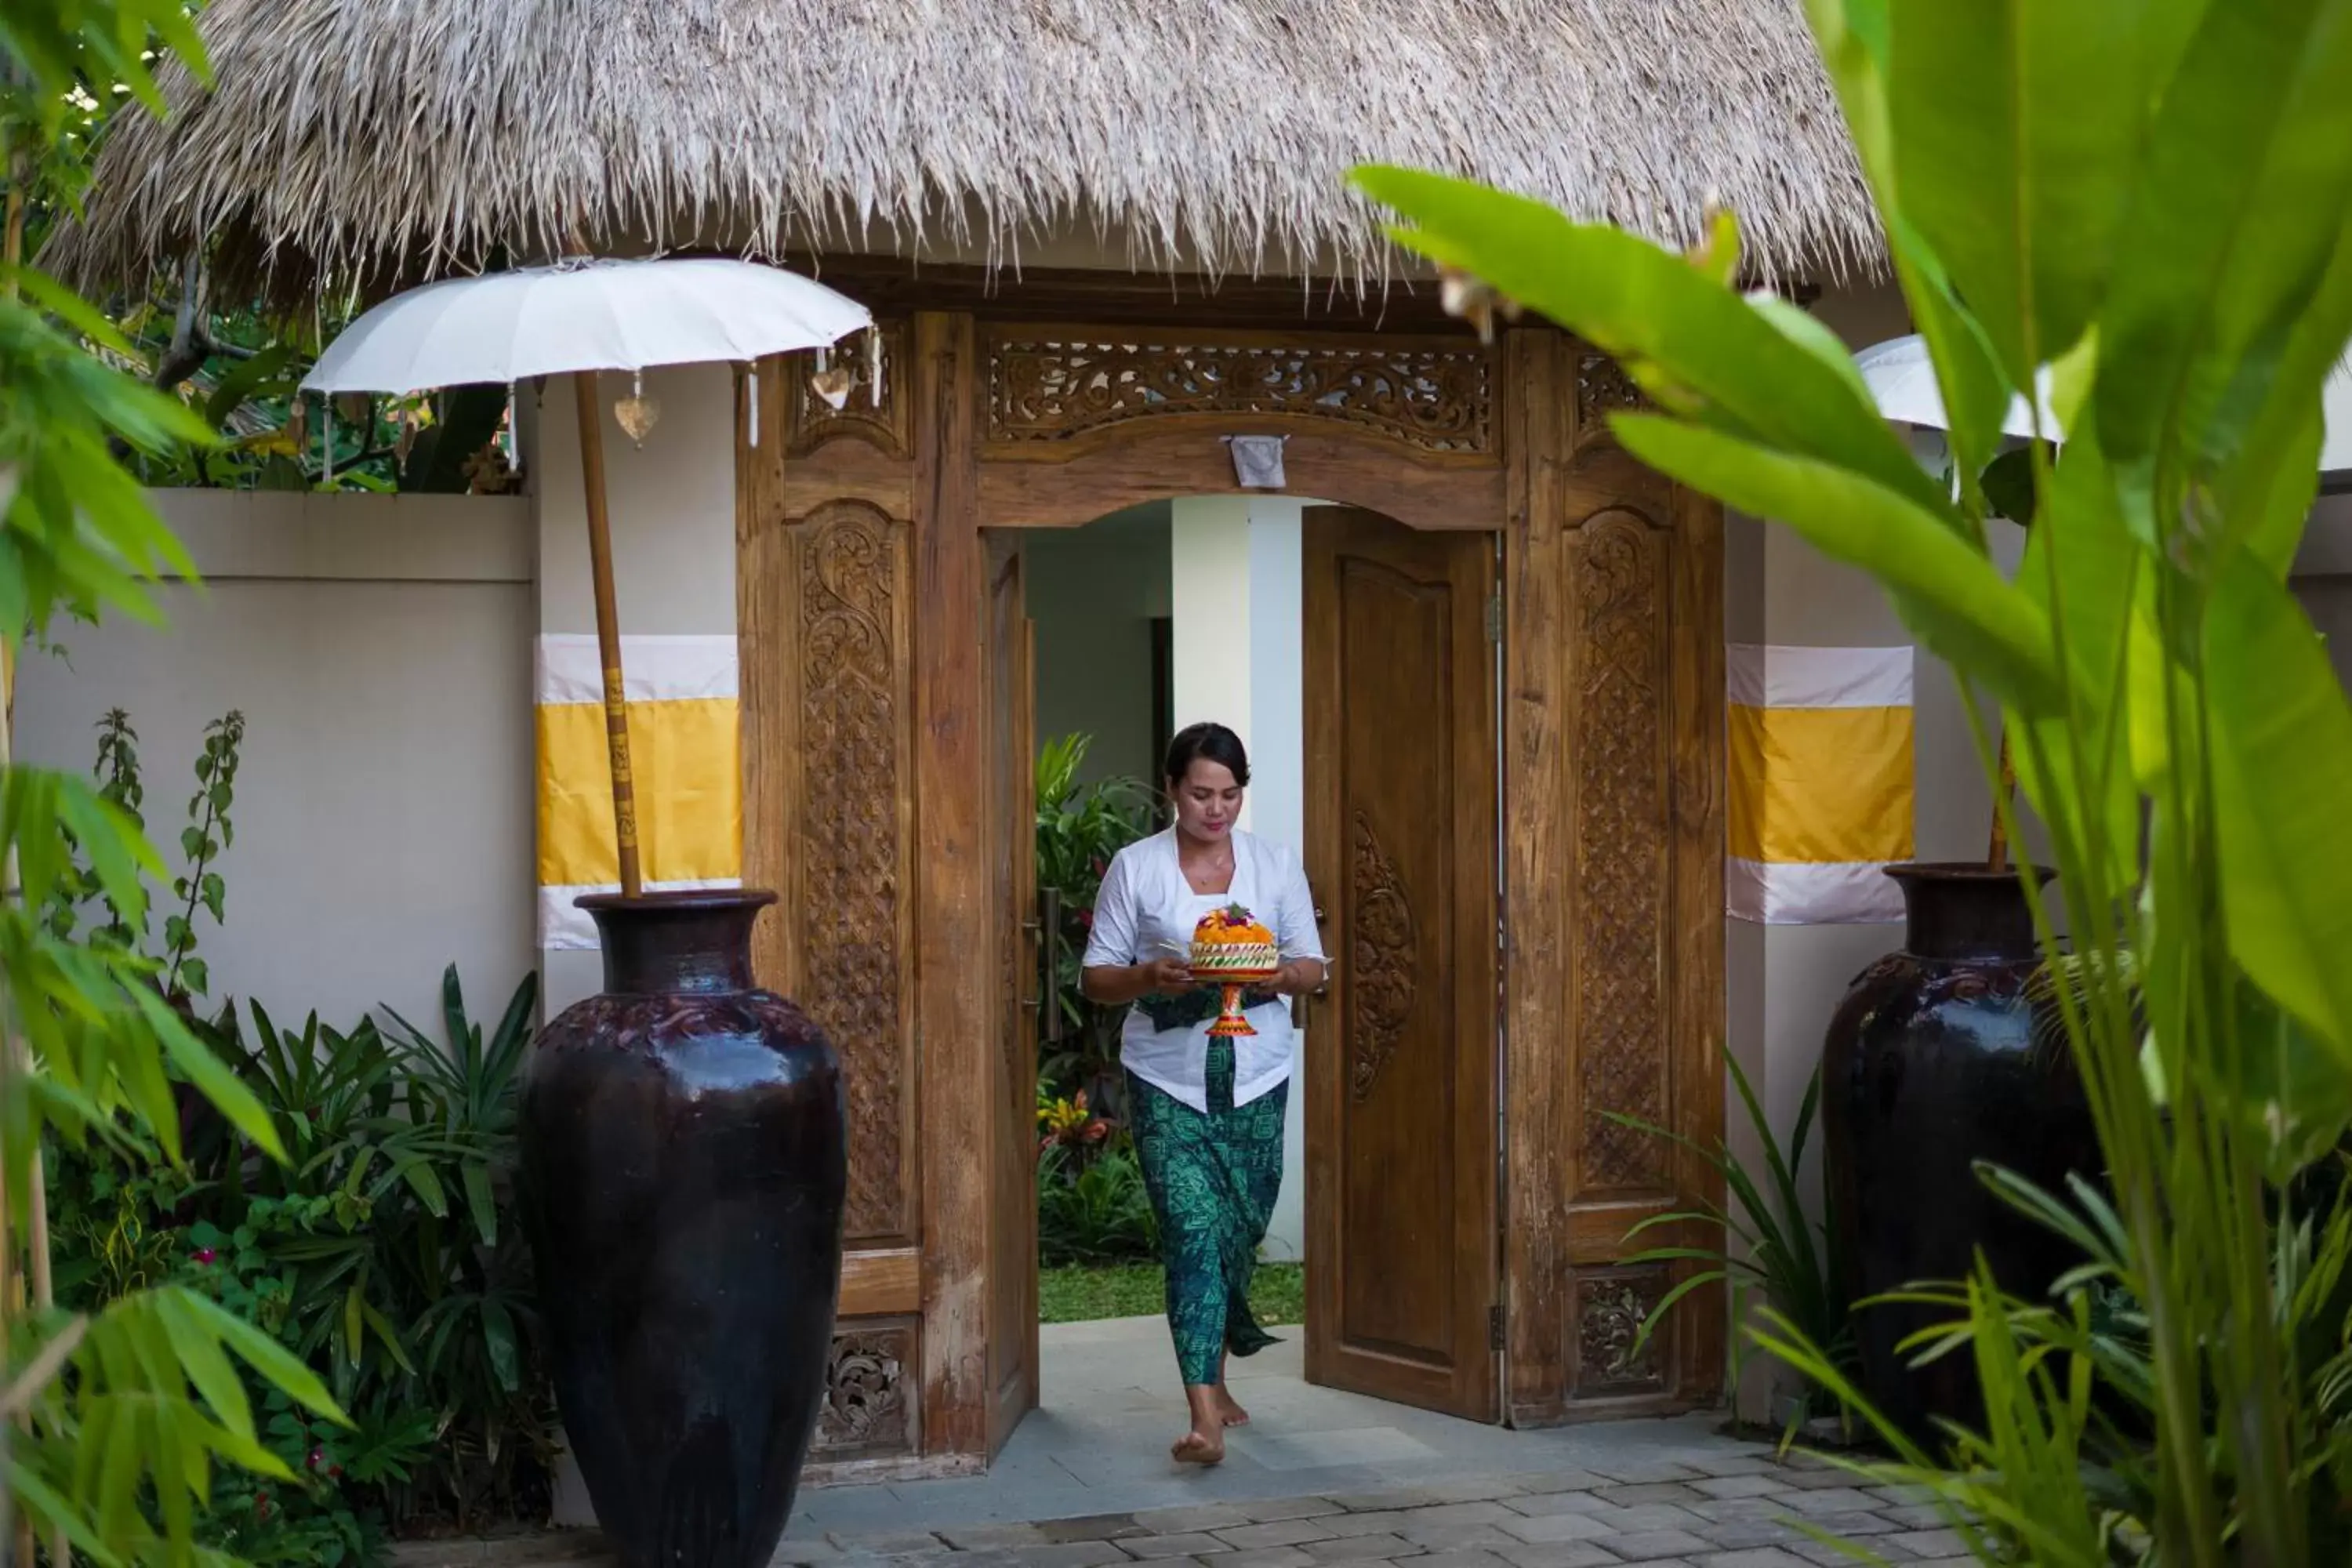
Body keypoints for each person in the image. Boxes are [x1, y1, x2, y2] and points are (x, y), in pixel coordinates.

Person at [1080, 722, 1327, 1465]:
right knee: (1190, 1231)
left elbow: (1313, 966)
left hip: (1259, 1070)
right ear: (1171, 789)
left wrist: (1276, 976)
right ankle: (1201, 1419)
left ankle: (1216, 1381)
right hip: (1167, 1075)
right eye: (1200, 794)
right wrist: (1150, 976)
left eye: (1228, 795)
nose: (1215, 810)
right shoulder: (1137, 868)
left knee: (1237, 1228)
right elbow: (1096, 980)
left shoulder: (1275, 866)